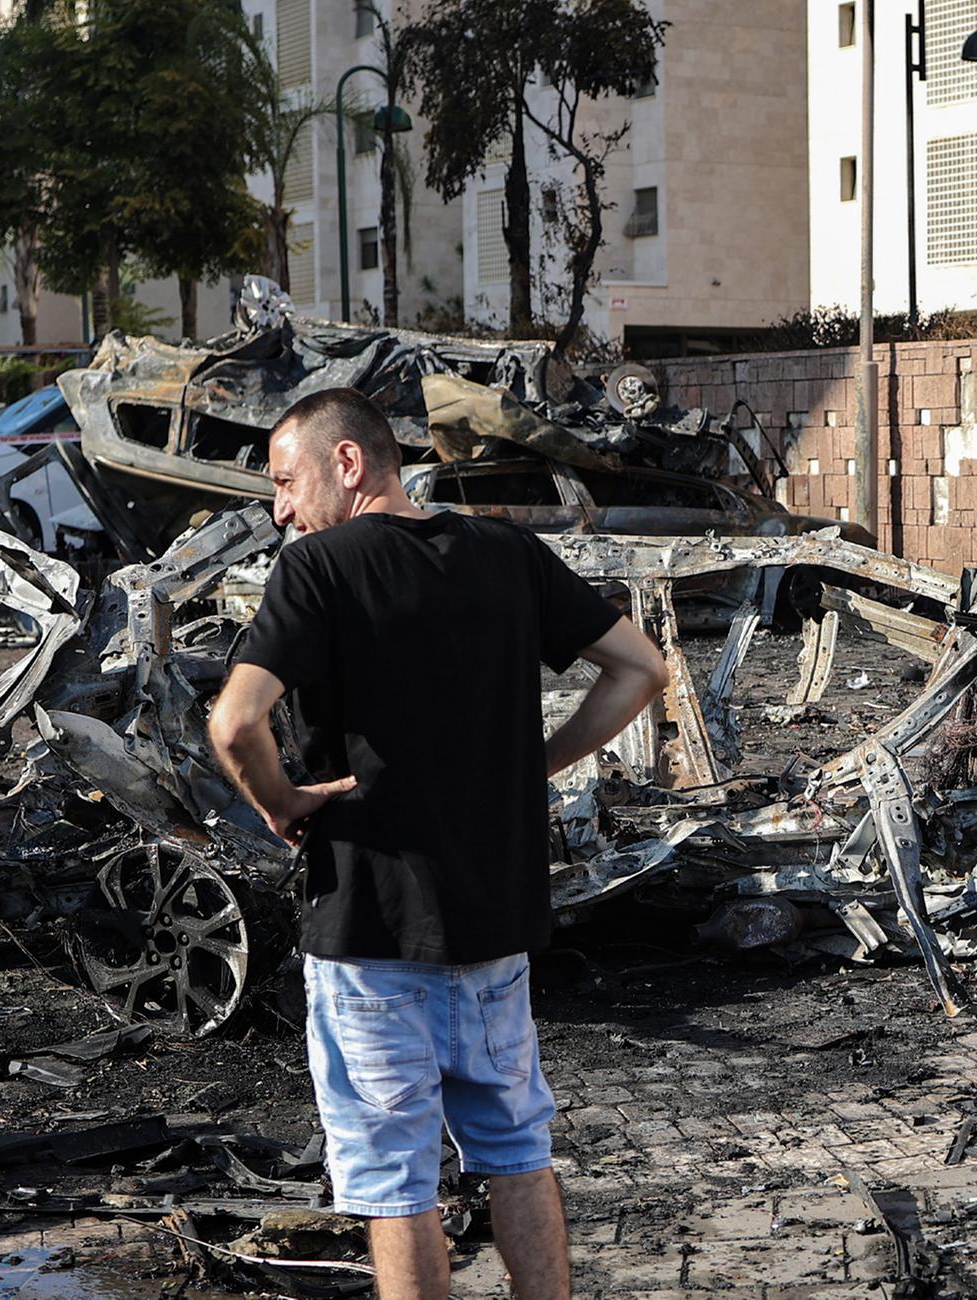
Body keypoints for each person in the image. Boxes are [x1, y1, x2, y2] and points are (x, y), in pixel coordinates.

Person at [208, 389, 668, 1300]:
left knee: (394, 1183)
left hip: (369, 933)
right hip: (494, 927)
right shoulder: (509, 554)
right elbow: (641, 670)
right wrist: (535, 764)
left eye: (285, 481)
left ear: (348, 464)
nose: (280, 510)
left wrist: (282, 800)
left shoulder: (317, 571)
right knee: (518, 1155)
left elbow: (234, 723)